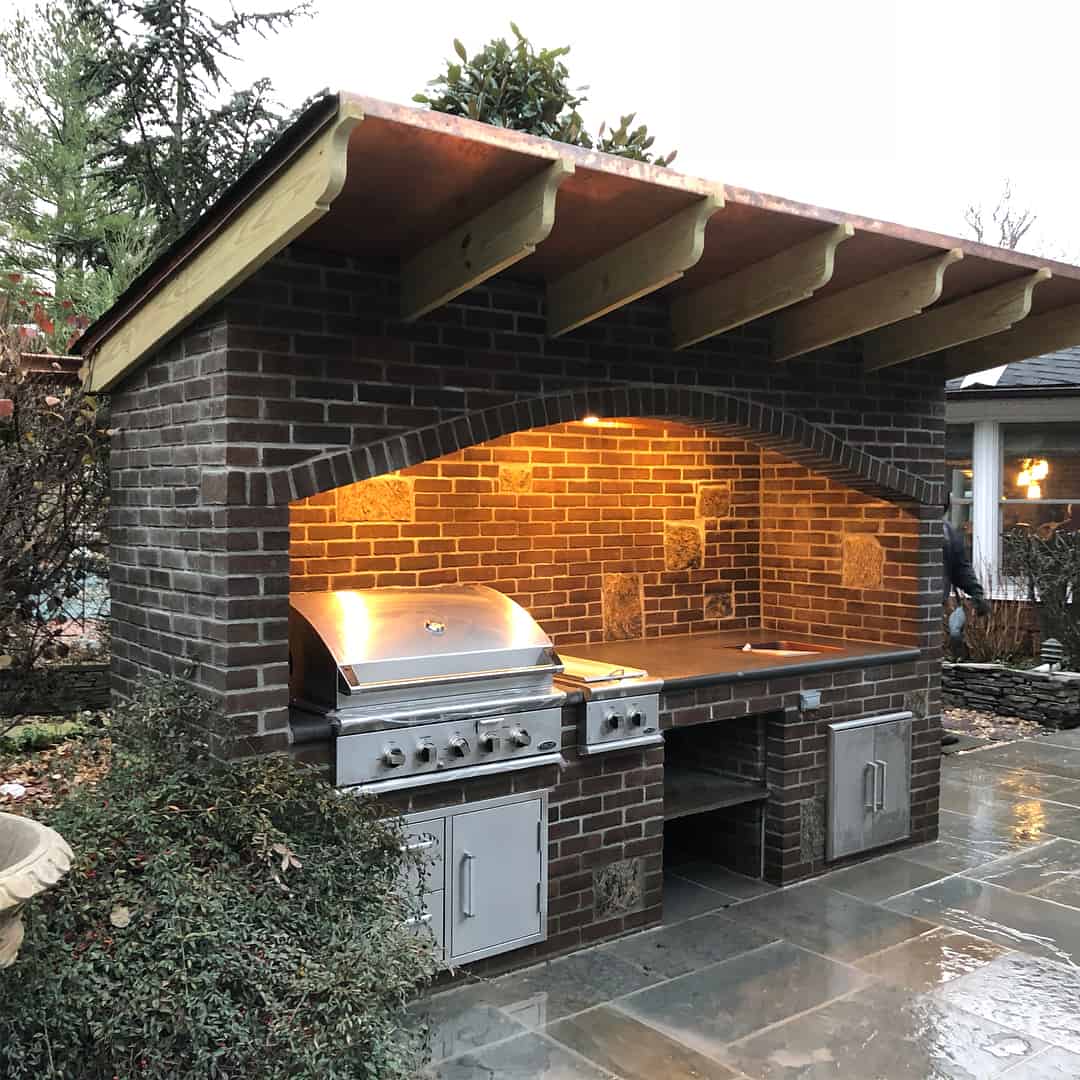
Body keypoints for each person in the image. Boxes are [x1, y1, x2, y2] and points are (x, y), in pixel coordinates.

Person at [942, 498, 990, 746]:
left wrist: (977, 593)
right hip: (900, 609)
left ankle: (929, 725)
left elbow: (960, 569)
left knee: (929, 670)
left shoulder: (948, 532)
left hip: (929, 610)